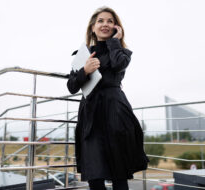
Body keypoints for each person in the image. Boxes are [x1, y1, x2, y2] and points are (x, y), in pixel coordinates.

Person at [67, 6, 149, 190]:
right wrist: (85, 71)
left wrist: (115, 42)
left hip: (115, 113)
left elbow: (119, 64)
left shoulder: (122, 52)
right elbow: (72, 86)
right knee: (95, 176)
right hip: (91, 116)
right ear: (92, 27)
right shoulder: (82, 55)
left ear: (116, 28)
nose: (105, 24)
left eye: (110, 21)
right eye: (101, 21)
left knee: (119, 173)